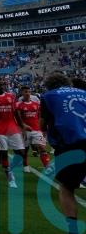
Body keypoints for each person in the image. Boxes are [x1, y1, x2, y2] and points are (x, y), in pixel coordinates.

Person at [40, 73, 86, 234]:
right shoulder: (83, 92)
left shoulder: (48, 96)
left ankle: (72, 229)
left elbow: (43, 123)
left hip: (71, 144)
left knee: (67, 187)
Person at [0, 76, 26, 189]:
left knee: (21, 154)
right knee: (3, 154)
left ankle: (9, 168)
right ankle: (10, 178)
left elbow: (16, 112)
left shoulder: (11, 96)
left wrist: (22, 127)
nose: (2, 85)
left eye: (3, 83)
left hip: (12, 128)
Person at [15, 85, 50, 171]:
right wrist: (22, 128)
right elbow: (17, 118)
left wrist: (40, 127)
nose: (27, 93)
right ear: (21, 93)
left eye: (29, 92)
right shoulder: (19, 105)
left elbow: (40, 116)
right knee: (25, 150)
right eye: (25, 92)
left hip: (36, 130)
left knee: (41, 147)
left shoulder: (36, 104)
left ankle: (47, 166)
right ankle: (25, 165)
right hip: (25, 131)